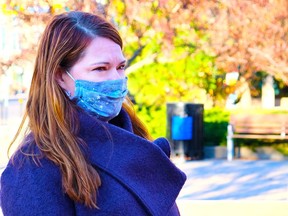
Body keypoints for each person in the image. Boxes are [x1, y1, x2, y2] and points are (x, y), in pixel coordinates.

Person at [0, 11, 186, 215]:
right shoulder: (33, 165)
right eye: (100, 68)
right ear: (60, 76)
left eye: (121, 67)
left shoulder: (136, 140)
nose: (115, 80)